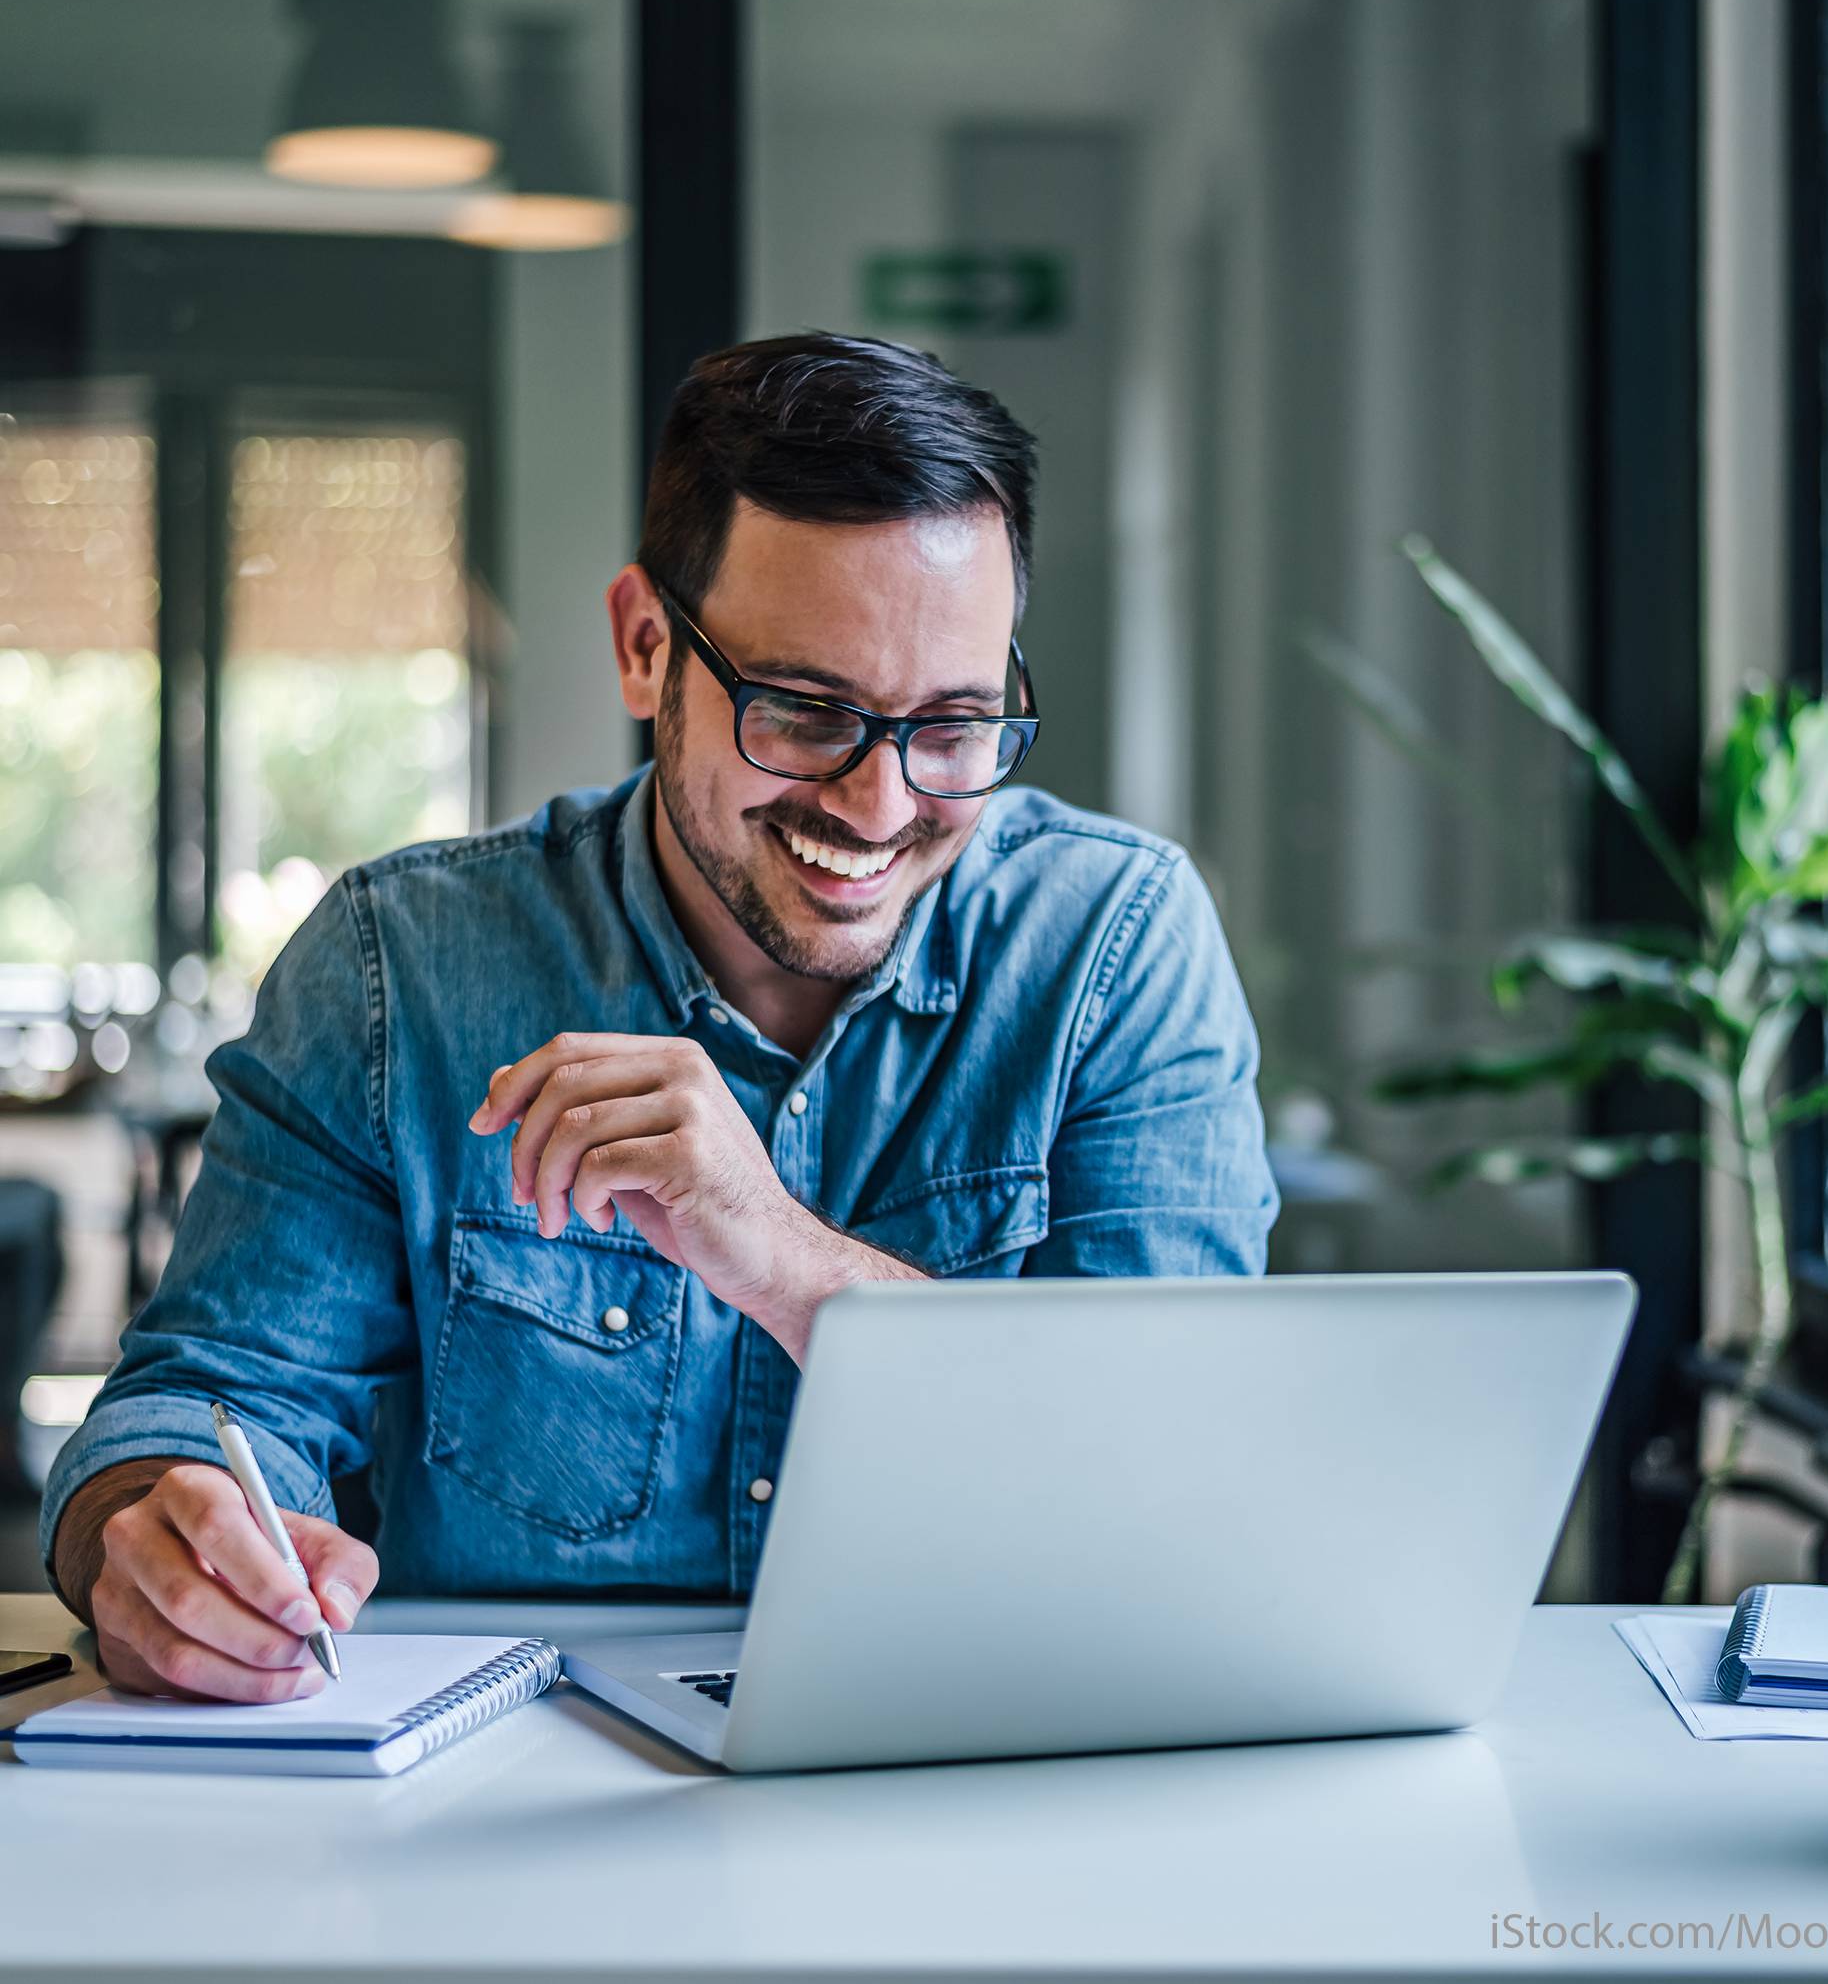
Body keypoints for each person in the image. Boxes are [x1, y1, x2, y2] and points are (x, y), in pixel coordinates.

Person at [43, 332, 1278, 1703]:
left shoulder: (1112, 947)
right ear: (646, 647)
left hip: (984, 1765)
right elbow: (211, 1396)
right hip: (504, 1807)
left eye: (951, 725)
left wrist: (780, 1256)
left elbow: (1171, 1474)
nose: (877, 807)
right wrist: (161, 1538)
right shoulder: (403, 965)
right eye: (804, 712)